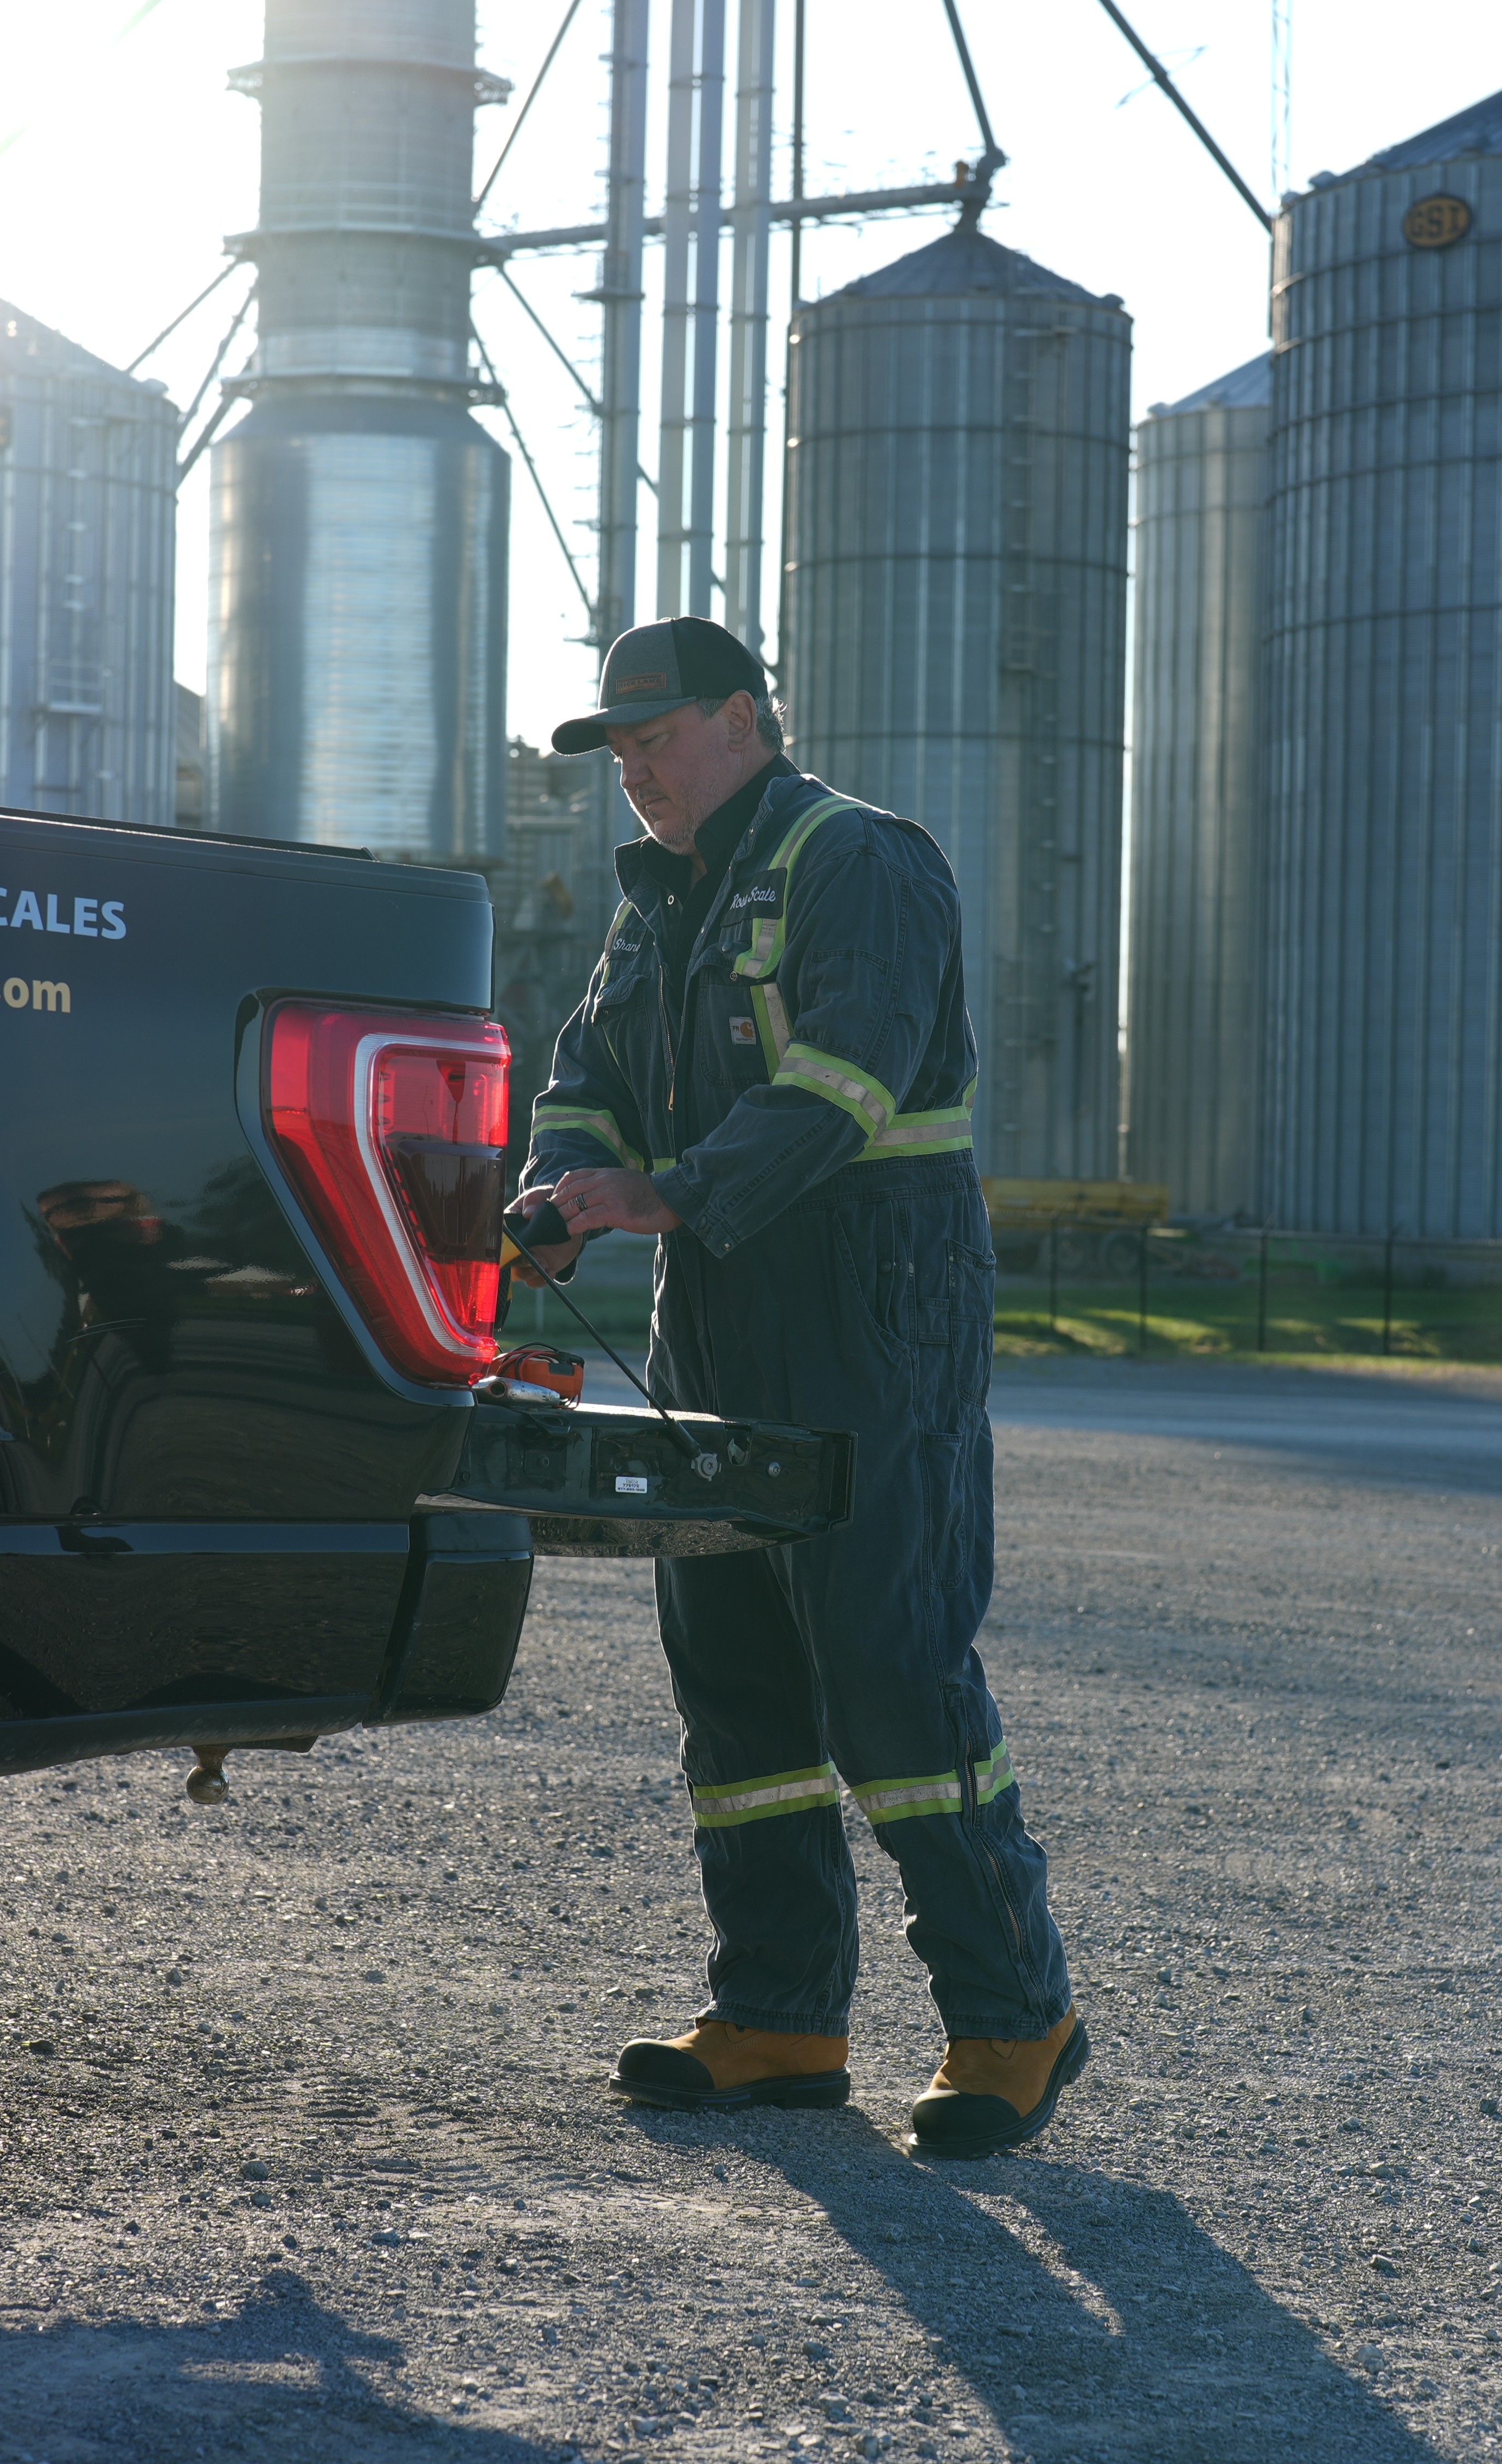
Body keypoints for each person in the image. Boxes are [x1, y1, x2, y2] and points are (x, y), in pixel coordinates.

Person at [508, 616, 1083, 2157]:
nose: (634, 772)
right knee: (739, 1671)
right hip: (720, 1307)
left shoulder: (862, 862)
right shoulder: (658, 907)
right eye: (615, 751)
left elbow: (848, 1080)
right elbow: (579, 1081)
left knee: (891, 1665)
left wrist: (666, 1193)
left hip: (867, 1303)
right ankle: (780, 2016)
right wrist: (561, 1184)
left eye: (657, 738)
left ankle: (1013, 2019)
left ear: (746, 718)